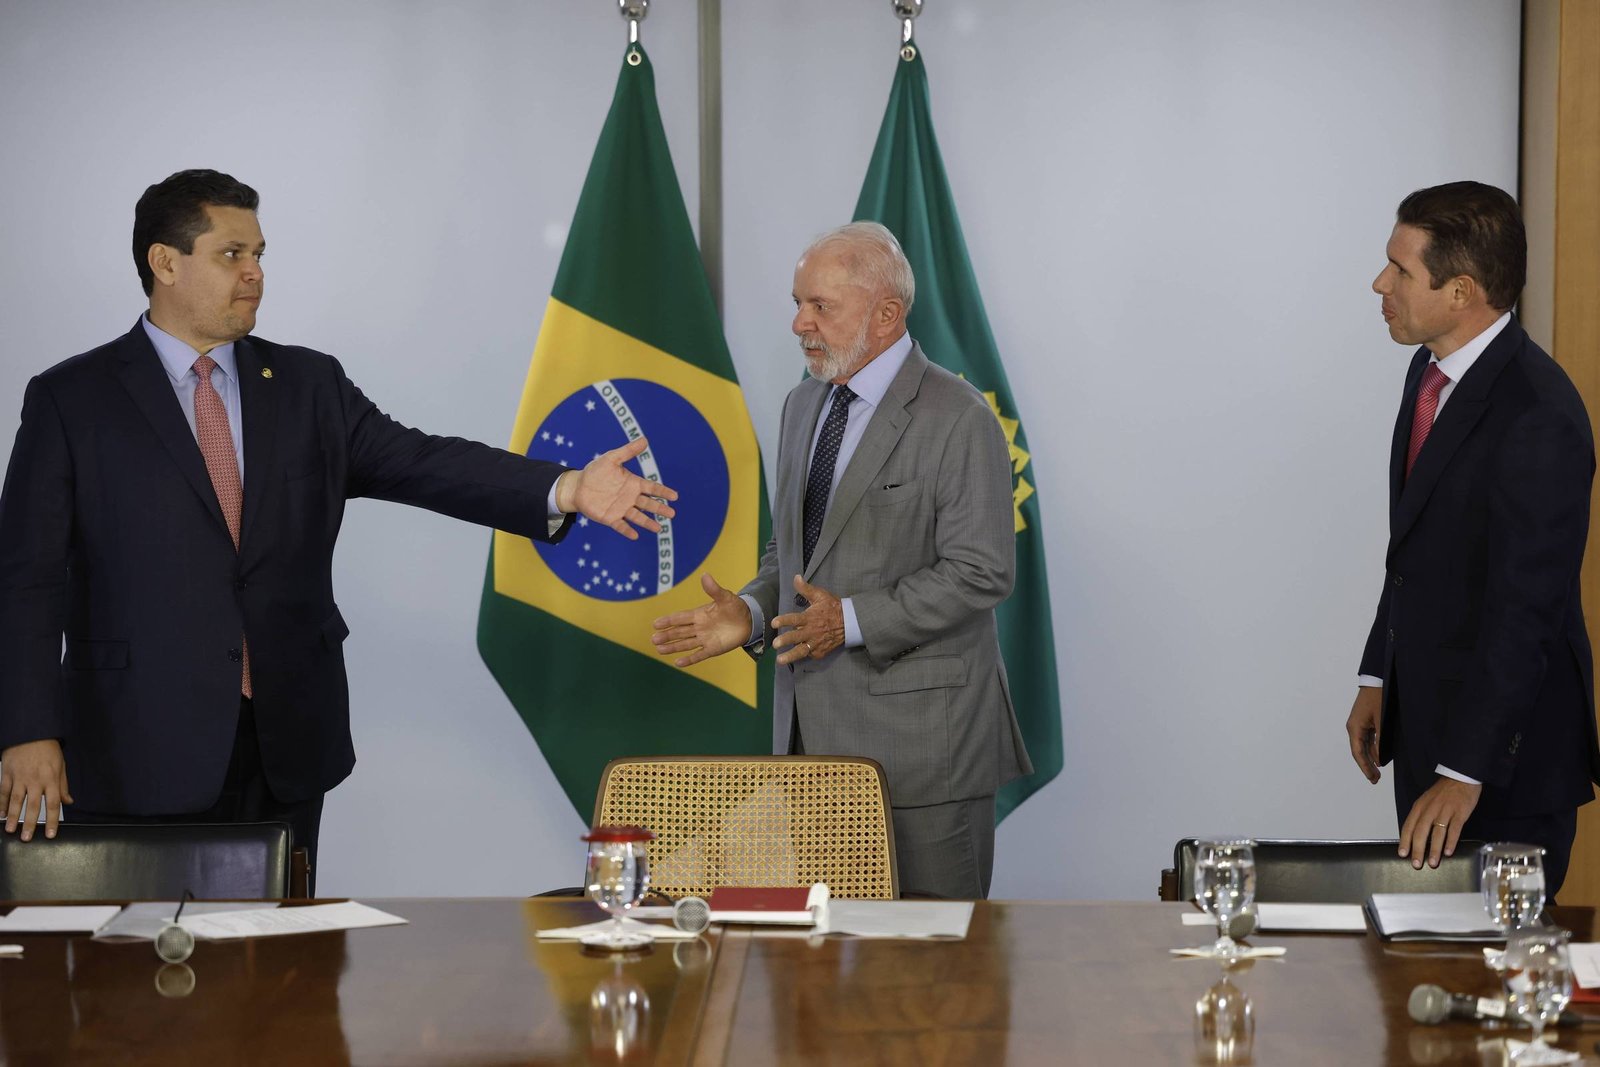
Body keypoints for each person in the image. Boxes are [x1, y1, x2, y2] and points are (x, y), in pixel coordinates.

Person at [0, 169, 676, 884]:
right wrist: (26, 729)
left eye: (259, 254)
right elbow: (25, 580)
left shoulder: (308, 386)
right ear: (165, 263)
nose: (255, 273)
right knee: (139, 954)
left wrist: (565, 486)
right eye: (232, 254)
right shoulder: (73, 400)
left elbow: (423, 462)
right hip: (132, 742)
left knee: (282, 949)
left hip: (285, 742)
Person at [651, 222, 1031, 898]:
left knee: (933, 959)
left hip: (926, 756)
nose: (800, 323)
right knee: (825, 959)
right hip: (811, 751)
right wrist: (755, 611)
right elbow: (794, 552)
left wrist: (848, 621)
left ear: (886, 314)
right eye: (798, 302)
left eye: (820, 306)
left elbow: (981, 569)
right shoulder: (803, 405)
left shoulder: (959, 416)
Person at [1346, 181, 1600, 898]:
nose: (1380, 284)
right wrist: (1378, 676)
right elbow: (1414, 551)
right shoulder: (1428, 371)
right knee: (1422, 956)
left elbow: (1527, 616)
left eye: (1400, 270)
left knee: (1491, 969)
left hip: (1503, 772)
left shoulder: (1539, 415)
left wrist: (1465, 773)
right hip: (1429, 740)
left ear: (1460, 292)